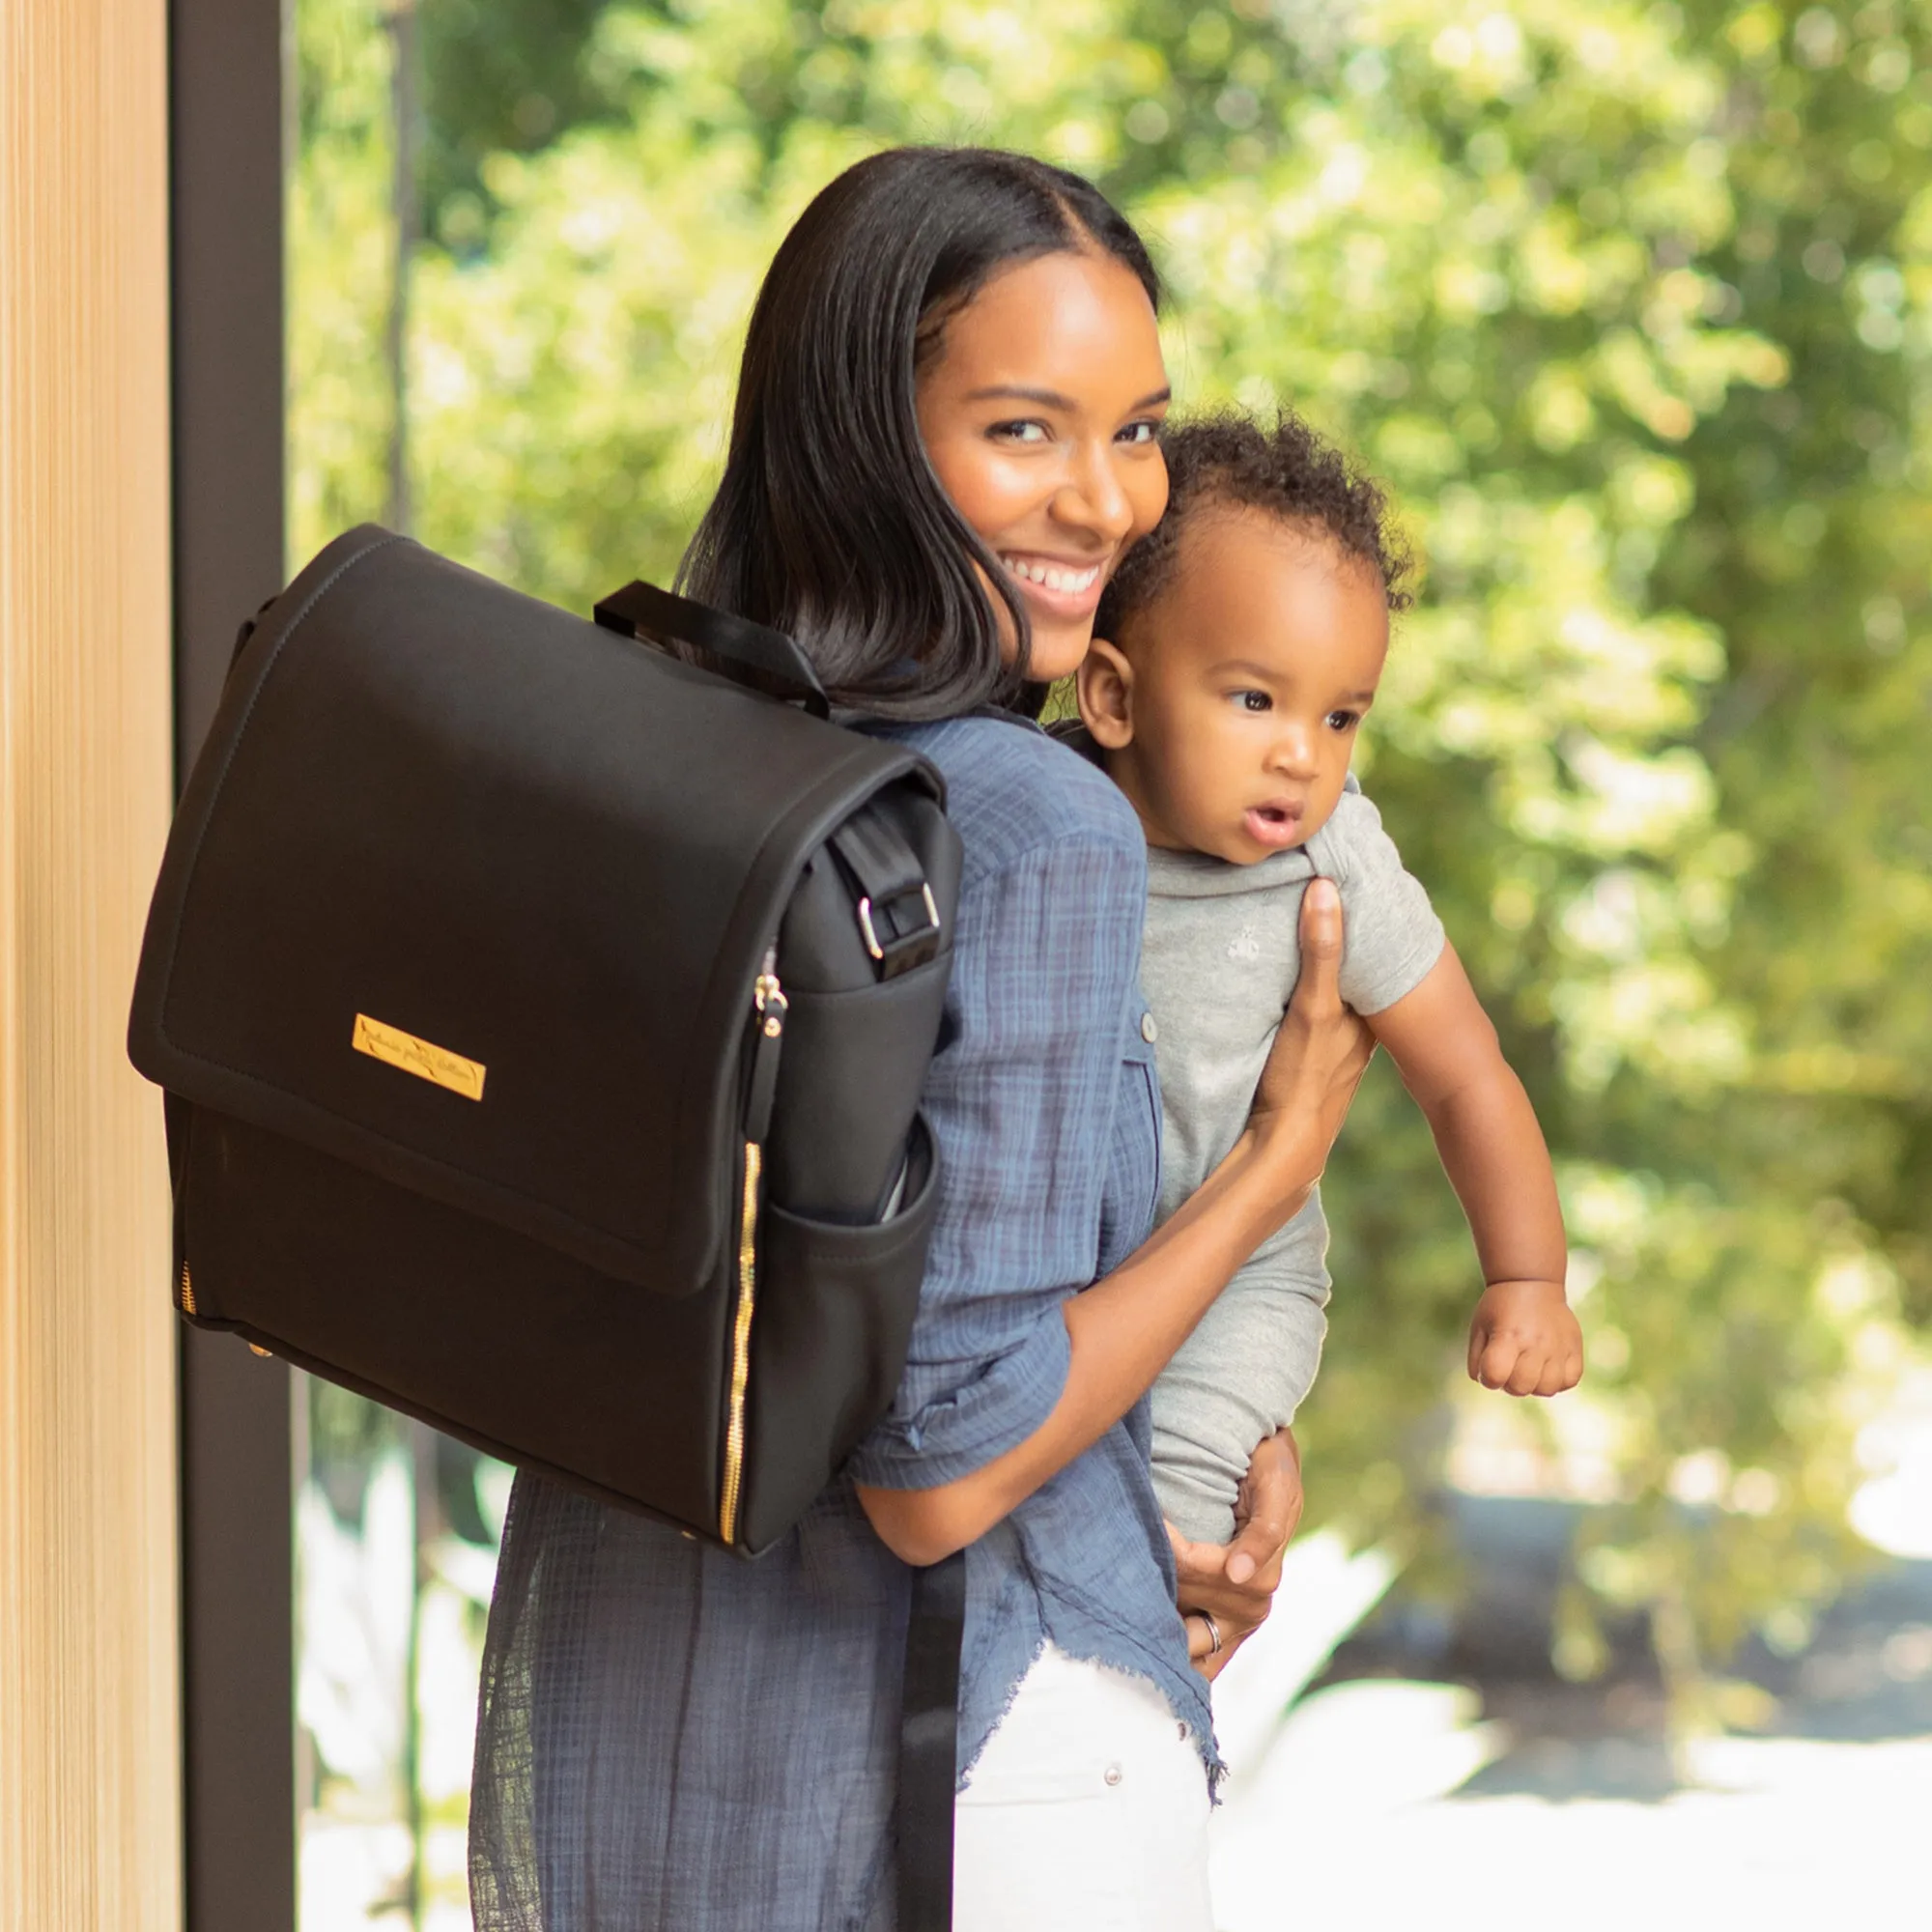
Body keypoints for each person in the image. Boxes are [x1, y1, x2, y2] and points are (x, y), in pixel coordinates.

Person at [468, 149, 1374, 1932]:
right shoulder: (1030, 824)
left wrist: (1161, 1464)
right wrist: (1277, 1161)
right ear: (865, 437)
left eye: (1137, 430)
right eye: (1025, 431)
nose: (1113, 503)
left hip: (636, 1723)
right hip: (974, 1766)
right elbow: (944, 1472)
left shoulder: (672, 760)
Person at [1069, 410, 1585, 1546]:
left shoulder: (1333, 862)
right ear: (1111, 698)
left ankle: (1152, 1667)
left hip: (1235, 1279)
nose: (1302, 751)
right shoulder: (1036, 821)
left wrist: (1527, 1277)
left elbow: (1464, 1073)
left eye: (1339, 714)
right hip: (1054, 1267)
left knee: (1177, 1493)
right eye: (1253, 698)